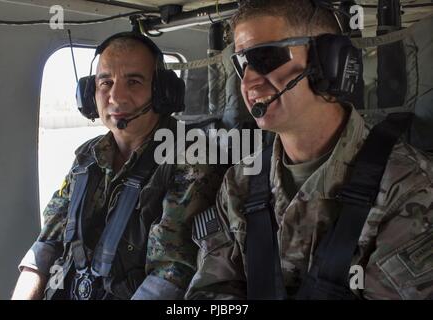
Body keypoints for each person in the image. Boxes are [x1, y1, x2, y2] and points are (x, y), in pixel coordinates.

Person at [185, 0, 433, 300]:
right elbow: (211, 294)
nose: (248, 81)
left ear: (328, 63)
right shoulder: (241, 181)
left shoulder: (409, 186)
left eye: (265, 57)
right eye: (241, 64)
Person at [11, 32, 225, 300]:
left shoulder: (191, 158)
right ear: (90, 94)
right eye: (105, 82)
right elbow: (45, 246)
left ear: (161, 92)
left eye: (133, 81)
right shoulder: (87, 157)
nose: (116, 96)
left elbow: (170, 274)